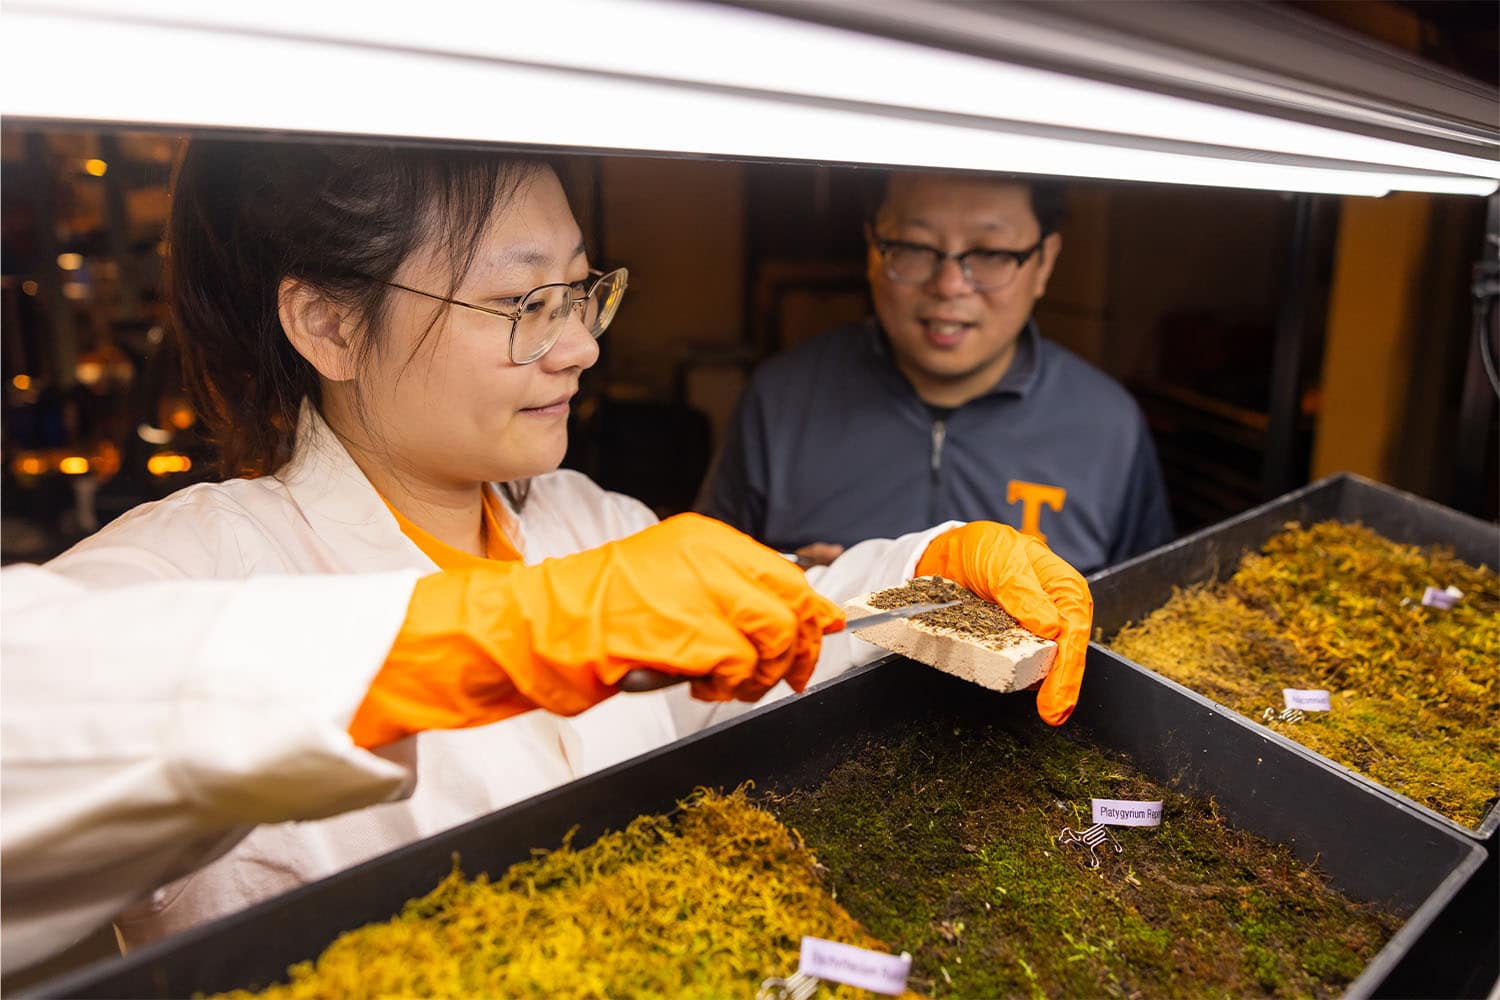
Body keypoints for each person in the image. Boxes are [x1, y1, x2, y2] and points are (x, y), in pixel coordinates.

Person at [1, 141, 1091, 970]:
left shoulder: (584, 521)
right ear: (329, 323)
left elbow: (774, 636)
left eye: (579, 288)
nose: (581, 343)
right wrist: (464, 640)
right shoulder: (202, 564)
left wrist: (937, 566)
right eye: (525, 302)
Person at [698, 170, 1173, 575]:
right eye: (915, 247)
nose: (949, 286)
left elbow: (1144, 621)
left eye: (990, 254)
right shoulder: (781, 400)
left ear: (1044, 261)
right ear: (872, 248)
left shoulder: (1108, 424)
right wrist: (778, 583)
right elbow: (702, 581)